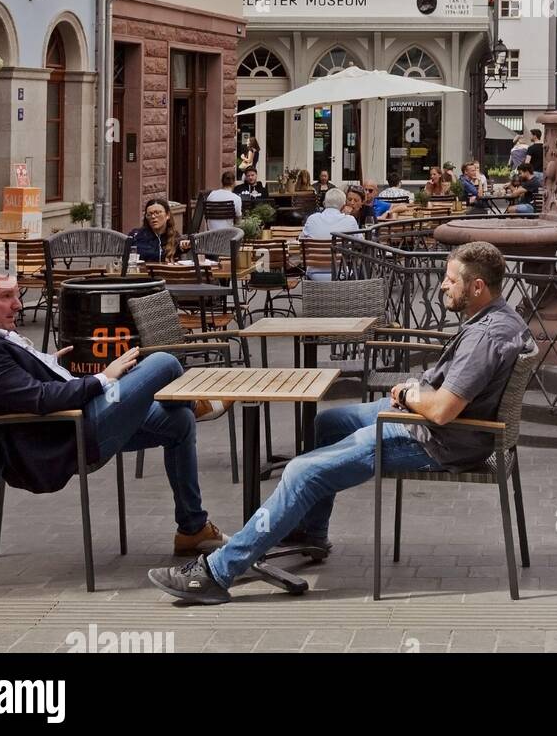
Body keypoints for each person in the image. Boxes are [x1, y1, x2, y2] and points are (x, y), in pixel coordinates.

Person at [148, 241, 533, 604]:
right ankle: (310, 530)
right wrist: (415, 392)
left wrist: (408, 395)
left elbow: (443, 411)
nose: (444, 286)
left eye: (452, 280)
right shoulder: (499, 318)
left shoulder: (485, 336)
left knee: (301, 472)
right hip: (435, 424)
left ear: (477, 286)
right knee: (330, 423)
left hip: (436, 438)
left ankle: (215, 574)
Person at [0, 272, 225, 554]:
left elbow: (11, 386)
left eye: (17, 295)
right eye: (6, 297)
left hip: (76, 417)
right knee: (163, 363)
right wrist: (103, 377)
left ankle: (193, 529)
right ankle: (195, 403)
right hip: (66, 435)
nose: (18, 305)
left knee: (178, 422)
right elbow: (39, 398)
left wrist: (42, 364)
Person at [298, 187, 359, 278]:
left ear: (324, 203)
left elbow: (301, 239)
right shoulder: (350, 220)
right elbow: (360, 242)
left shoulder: (312, 219)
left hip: (313, 274)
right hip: (341, 274)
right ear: (343, 205)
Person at [128, 198, 189, 263]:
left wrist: (185, 246)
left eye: (157, 213)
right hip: (142, 272)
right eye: (149, 214)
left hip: (165, 272)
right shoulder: (136, 235)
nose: (153, 216)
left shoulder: (175, 238)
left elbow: (182, 248)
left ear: (167, 215)